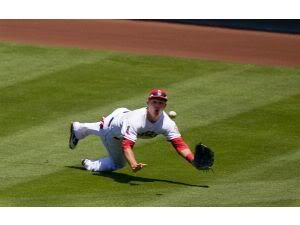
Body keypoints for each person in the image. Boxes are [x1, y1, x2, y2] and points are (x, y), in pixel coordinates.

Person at [69, 89, 196, 173]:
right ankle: (89, 164)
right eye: (154, 102)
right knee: (117, 163)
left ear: (165, 106)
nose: (157, 105)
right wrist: (134, 164)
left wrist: (193, 160)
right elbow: (127, 145)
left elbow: (179, 144)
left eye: (160, 103)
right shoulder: (136, 120)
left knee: (105, 126)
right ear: (148, 103)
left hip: (122, 115)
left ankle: (78, 129)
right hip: (114, 130)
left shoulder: (167, 123)